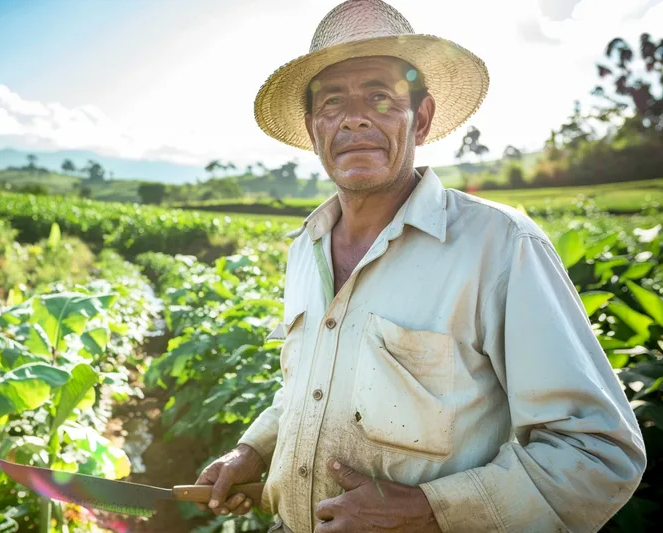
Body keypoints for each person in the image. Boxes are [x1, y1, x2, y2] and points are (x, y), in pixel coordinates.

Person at [194, 1, 646, 531]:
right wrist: (252, 451)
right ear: (314, 127)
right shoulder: (305, 248)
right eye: (333, 100)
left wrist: (427, 511)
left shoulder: (498, 245)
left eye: (380, 97)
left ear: (422, 118)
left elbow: (598, 453)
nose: (355, 117)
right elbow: (309, 389)